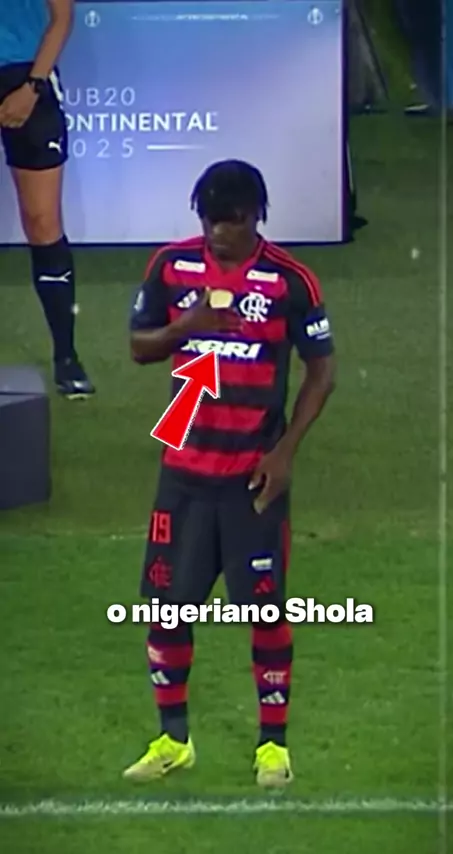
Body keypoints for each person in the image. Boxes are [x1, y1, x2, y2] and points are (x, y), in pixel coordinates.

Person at [125, 160, 335, 787]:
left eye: (231, 220)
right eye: (210, 219)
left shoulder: (290, 281)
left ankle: (274, 747)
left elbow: (322, 371)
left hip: (252, 482)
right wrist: (183, 328)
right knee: (166, 611)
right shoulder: (171, 267)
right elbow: (139, 347)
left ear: (256, 216)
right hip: (183, 477)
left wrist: (285, 452)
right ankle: (173, 740)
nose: (219, 232)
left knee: (264, 613)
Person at [0, 0, 94, 398]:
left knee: (42, 223)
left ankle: (66, 356)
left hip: (25, 78)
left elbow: (62, 17)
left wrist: (33, 87)